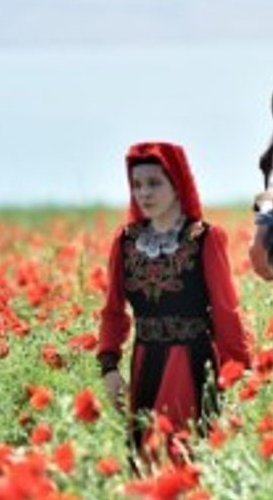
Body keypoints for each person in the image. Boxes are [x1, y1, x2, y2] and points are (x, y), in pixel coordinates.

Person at [96, 141, 251, 463]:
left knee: (188, 456)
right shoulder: (125, 242)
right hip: (145, 365)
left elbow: (226, 312)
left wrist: (237, 375)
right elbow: (113, 310)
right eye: (137, 185)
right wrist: (109, 367)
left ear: (177, 183)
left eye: (154, 183)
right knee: (147, 461)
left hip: (194, 364)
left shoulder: (205, 238)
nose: (144, 193)